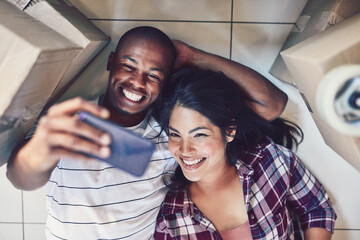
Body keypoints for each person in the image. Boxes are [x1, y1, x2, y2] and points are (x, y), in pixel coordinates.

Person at [6, 26, 288, 239]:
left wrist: (192, 56)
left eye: (153, 75)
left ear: (165, 81)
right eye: (129, 66)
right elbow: (20, 179)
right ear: (111, 62)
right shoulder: (71, 118)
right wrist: (40, 151)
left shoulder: (171, 137)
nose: (137, 82)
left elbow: (272, 105)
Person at [153, 68, 337, 240]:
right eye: (175, 134)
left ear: (230, 131)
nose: (185, 150)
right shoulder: (170, 219)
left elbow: (317, 208)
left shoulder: (269, 161)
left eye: (200, 135)